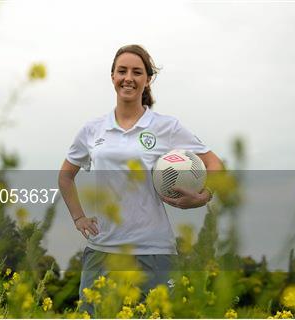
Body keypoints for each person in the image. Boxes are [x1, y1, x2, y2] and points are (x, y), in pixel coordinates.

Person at [58, 44, 224, 315]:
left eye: (137, 72)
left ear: (147, 79)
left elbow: (214, 163)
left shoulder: (166, 127)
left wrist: (204, 195)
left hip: (154, 250)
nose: (128, 78)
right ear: (112, 76)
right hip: (103, 250)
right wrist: (79, 218)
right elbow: (65, 177)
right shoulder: (92, 129)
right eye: (122, 71)